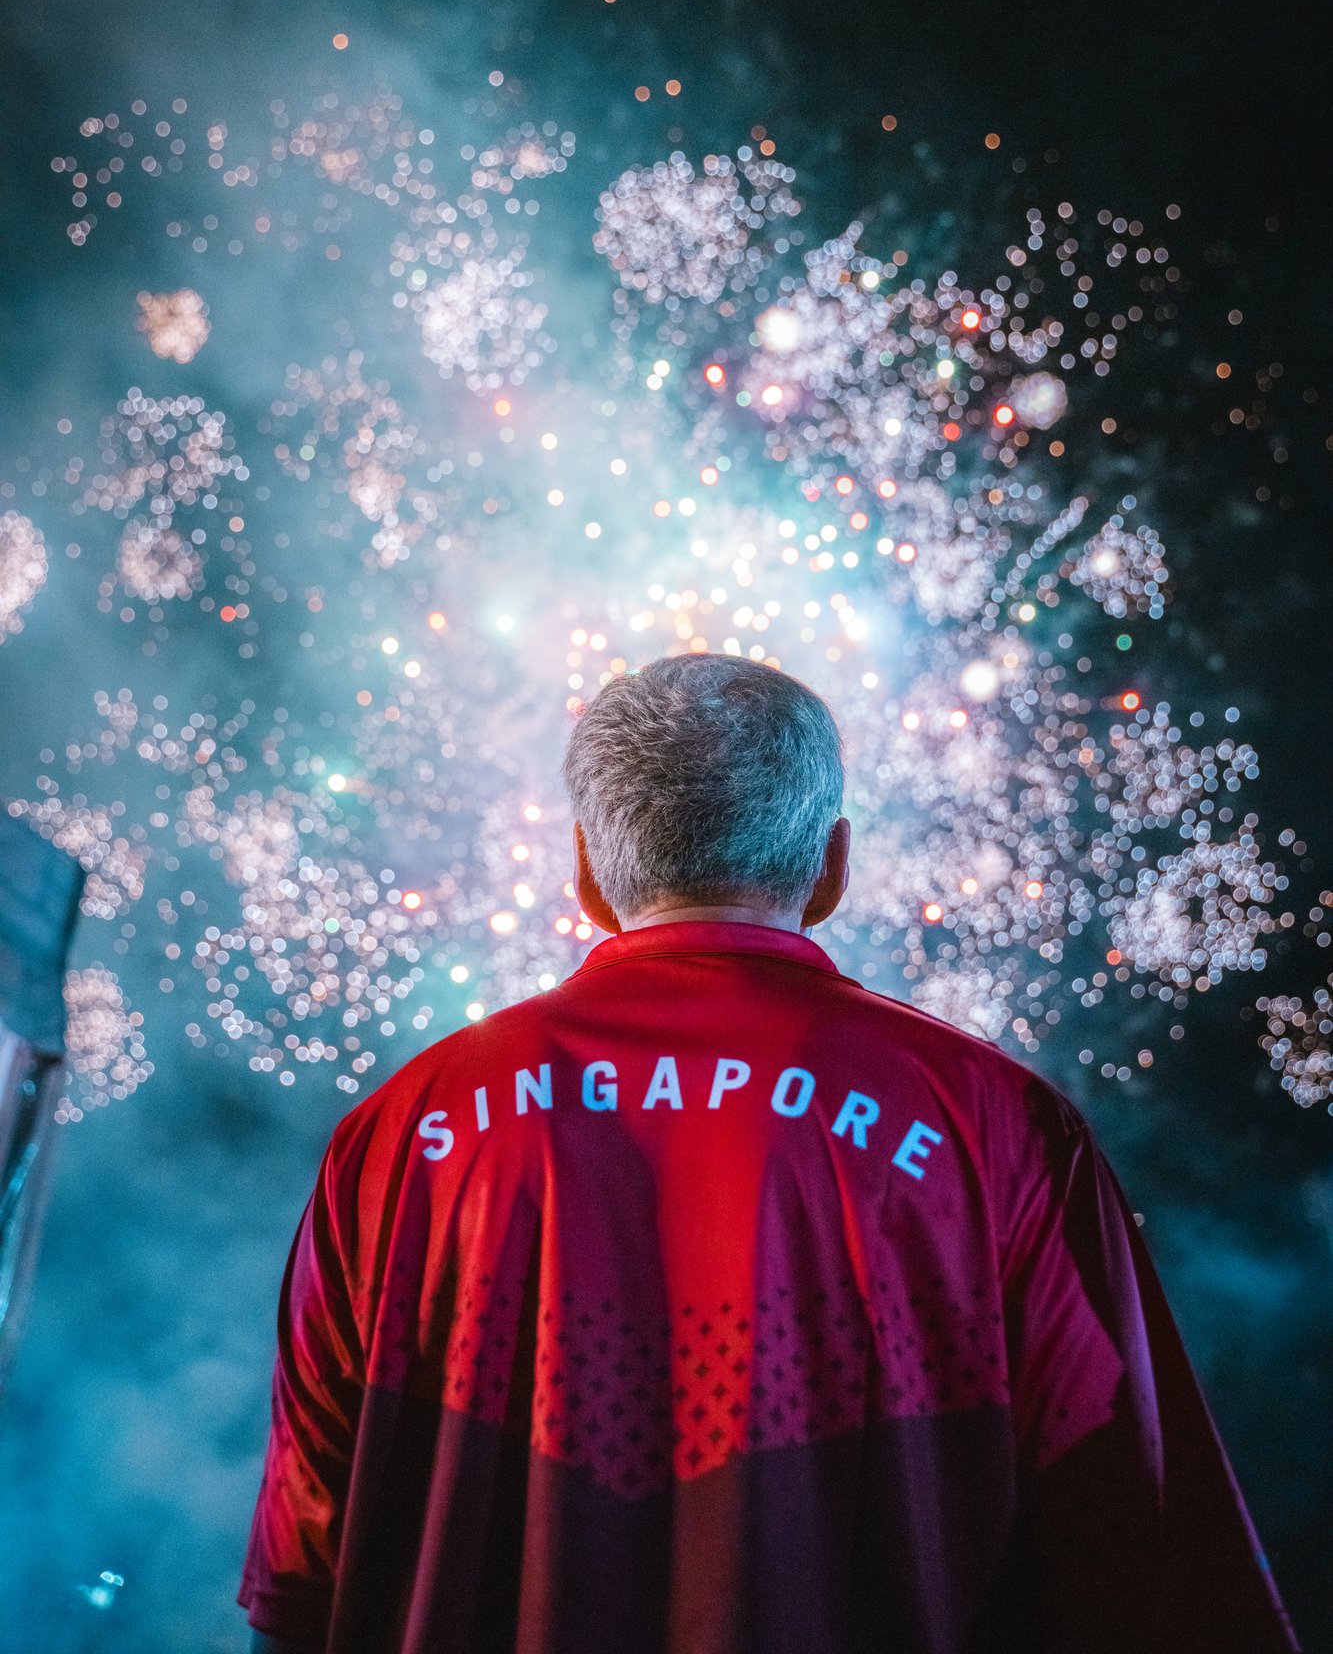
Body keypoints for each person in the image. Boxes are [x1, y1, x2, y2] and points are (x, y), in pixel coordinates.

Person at [241, 653, 1298, 1653]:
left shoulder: (398, 1133)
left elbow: (303, 1558)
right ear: (833, 863)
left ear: (585, 872)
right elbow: (1133, 1533)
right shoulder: (997, 1124)